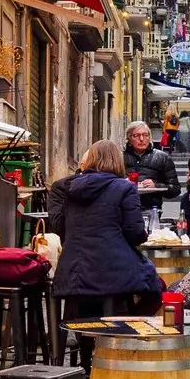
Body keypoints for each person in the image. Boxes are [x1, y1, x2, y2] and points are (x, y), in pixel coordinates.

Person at [48, 139, 163, 332]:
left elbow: (64, 227)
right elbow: (135, 233)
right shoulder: (125, 188)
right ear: (118, 161)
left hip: (73, 272)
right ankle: (125, 329)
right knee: (157, 288)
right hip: (112, 272)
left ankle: (89, 342)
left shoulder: (71, 189)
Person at [123, 120, 179, 195]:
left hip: (151, 204)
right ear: (129, 139)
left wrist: (156, 186)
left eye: (145, 135)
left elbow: (175, 189)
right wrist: (122, 183)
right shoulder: (119, 158)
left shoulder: (162, 158)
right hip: (125, 204)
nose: (142, 139)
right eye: (136, 135)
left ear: (149, 137)